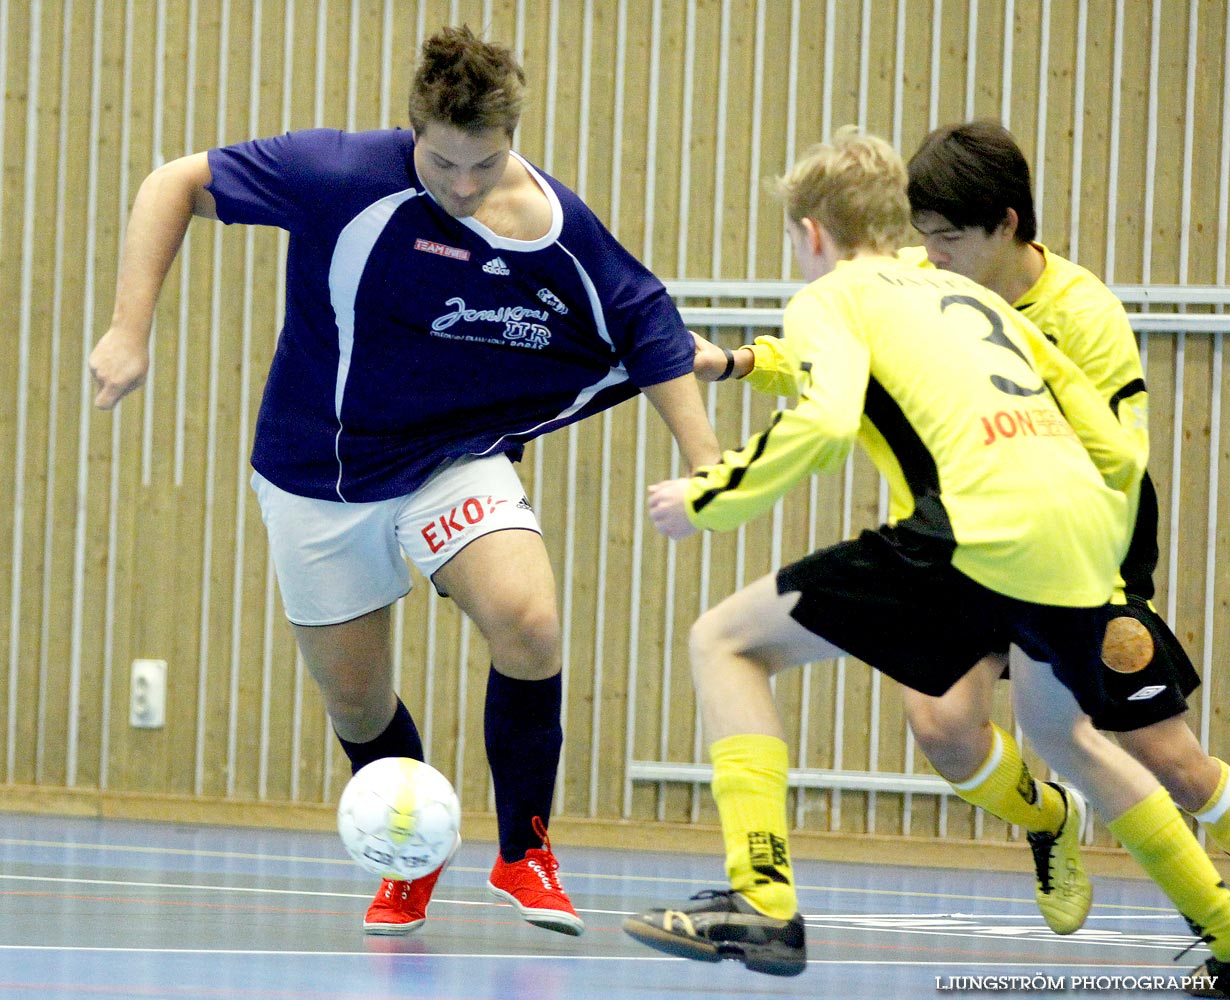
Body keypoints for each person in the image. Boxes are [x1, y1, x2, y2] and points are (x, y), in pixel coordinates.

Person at [89, 25, 719, 938]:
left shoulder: (548, 219)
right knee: (356, 698)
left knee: (529, 619)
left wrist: (706, 465)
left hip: (452, 459)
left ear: (514, 140)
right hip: (318, 474)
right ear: (411, 127)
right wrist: (127, 329)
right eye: (445, 162)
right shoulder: (339, 176)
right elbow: (173, 184)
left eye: (487, 164)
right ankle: (409, 857)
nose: (464, 187)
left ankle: (525, 852)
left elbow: (647, 322)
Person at [622, 128, 1230, 993]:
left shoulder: (835, 295)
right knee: (1013, 731)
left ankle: (762, 900)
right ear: (900, 224)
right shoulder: (961, 294)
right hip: (1075, 534)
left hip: (975, 535)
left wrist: (710, 496)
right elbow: (1112, 444)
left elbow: (829, 422)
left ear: (813, 235)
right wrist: (741, 365)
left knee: (725, 640)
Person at [897, 119, 1230, 938]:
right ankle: (1047, 822)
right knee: (941, 724)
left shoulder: (1085, 317)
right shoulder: (918, 281)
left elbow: (1115, 469)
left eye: (949, 239)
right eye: (923, 237)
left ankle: (1217, 921)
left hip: (1079, 546)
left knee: (1160, 761)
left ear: (1007, 223)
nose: (931, 255)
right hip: (968, 537)